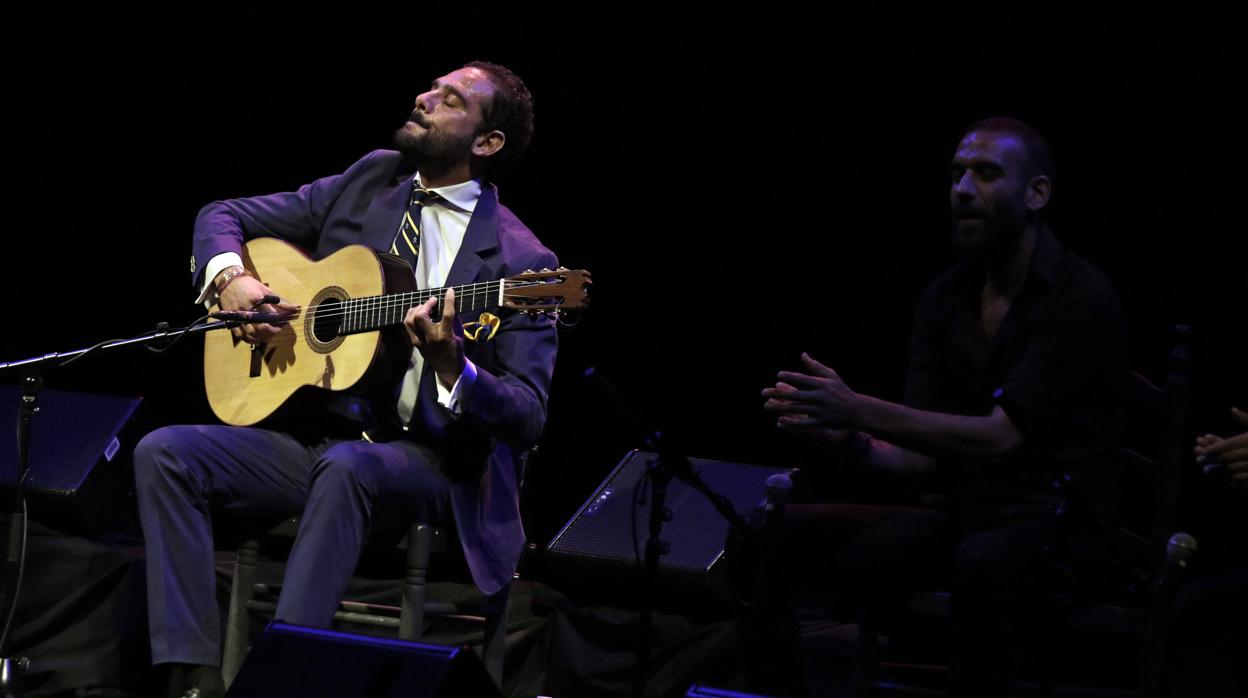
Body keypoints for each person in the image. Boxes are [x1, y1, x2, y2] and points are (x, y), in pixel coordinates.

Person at [133, 61, 557, 698]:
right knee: (165, 453)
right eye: (430, 88)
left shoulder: (524, 264)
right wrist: (232, 279)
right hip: (322, 441)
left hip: (437, 465)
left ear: (486, 142)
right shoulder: (369, 178)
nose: (424, 97)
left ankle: (279, 683)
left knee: (349, 472)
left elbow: (527, 416)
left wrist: (454, 366)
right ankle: (191, 679)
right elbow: (221, 213)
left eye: (449, 100)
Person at [762, 118, 1131, 696]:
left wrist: (858, 409)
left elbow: (1001, 438)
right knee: (776, 534)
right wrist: (843, 437)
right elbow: (919, 462)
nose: (961, 189)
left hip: (1061, 522)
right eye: (956, 174)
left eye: (985, 174)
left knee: (982, 565)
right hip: (968, 512)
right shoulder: (945, 298)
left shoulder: (1080, 296)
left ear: (1036, 194)